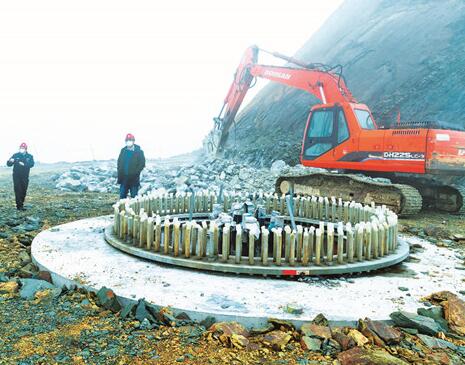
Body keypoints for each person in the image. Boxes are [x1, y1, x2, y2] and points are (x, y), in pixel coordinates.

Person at [6, 143, 35, 210]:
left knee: (24, 190)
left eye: (23, 148)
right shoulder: (15, 155)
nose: (22, 149)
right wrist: (10, 161)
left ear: (26, 149)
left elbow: (32, 164)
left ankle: (21, 203)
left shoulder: (29, 156)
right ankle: (19, 206)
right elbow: (8, 164)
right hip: (16, 176)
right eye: (21, 148)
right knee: (17, 189)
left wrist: (24, 164)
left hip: (25, 176)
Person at [117, 133, 145, 199]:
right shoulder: (123, 151)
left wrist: (135, 173)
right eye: (127, 140)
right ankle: (122, 209)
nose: (128, 142)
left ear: (133, 141)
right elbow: (119, 162)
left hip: (134, 179)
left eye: (130, 140)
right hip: (124, 179)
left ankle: (133, 209)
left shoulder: (139, 151)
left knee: (134, 197)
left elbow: (142, 164)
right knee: (122, 196)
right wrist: (120, 173)